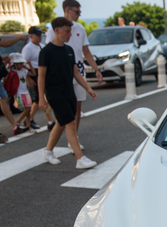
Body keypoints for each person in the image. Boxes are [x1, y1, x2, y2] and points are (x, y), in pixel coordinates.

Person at [39, 17, 97, 169]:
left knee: (61, 122)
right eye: (67, 31)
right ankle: (80, 159)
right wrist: (41, 98)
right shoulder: (46, 52)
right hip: (54, 93)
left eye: (70, 31)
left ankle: (48, 151)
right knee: (70, 123)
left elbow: (76, 72)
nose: (70, 34)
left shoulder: (68, 50)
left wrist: (88, 88)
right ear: (56, 31)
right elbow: (41, 76)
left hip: (69, 91)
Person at [46, 0, 103, 150]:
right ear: (67, 11)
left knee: (76, 107)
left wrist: (96, 69)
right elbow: (48, 51)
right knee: (66, 110)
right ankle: (55, 146)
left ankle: (73, 138)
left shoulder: (80, 28)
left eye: (80, 12)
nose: (79, 15)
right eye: (77, 12)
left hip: (77, 71)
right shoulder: (54, 29)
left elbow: (86, 51)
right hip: (61, 74)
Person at [22, 26, 55, 130]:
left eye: (40, 34)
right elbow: (23, 64)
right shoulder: (28, 48)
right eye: (37, 35)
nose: (40, 37)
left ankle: (29, 119)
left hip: (43, 71)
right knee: (43, 97)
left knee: (38, 99)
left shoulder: (42, 46)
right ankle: (50, 121)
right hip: (33, 72)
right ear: (31, 36)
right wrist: (28, 78)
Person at [10, 54, 36, 135]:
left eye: (22, 63)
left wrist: (30, 65)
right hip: (18, 93)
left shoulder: (23, 71)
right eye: (19, 63)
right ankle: (17, 122)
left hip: (25, 92)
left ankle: (28, 127)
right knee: (27, 109)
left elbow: (33, 73)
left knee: (28, 110)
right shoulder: (13, 71)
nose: (22, 65)